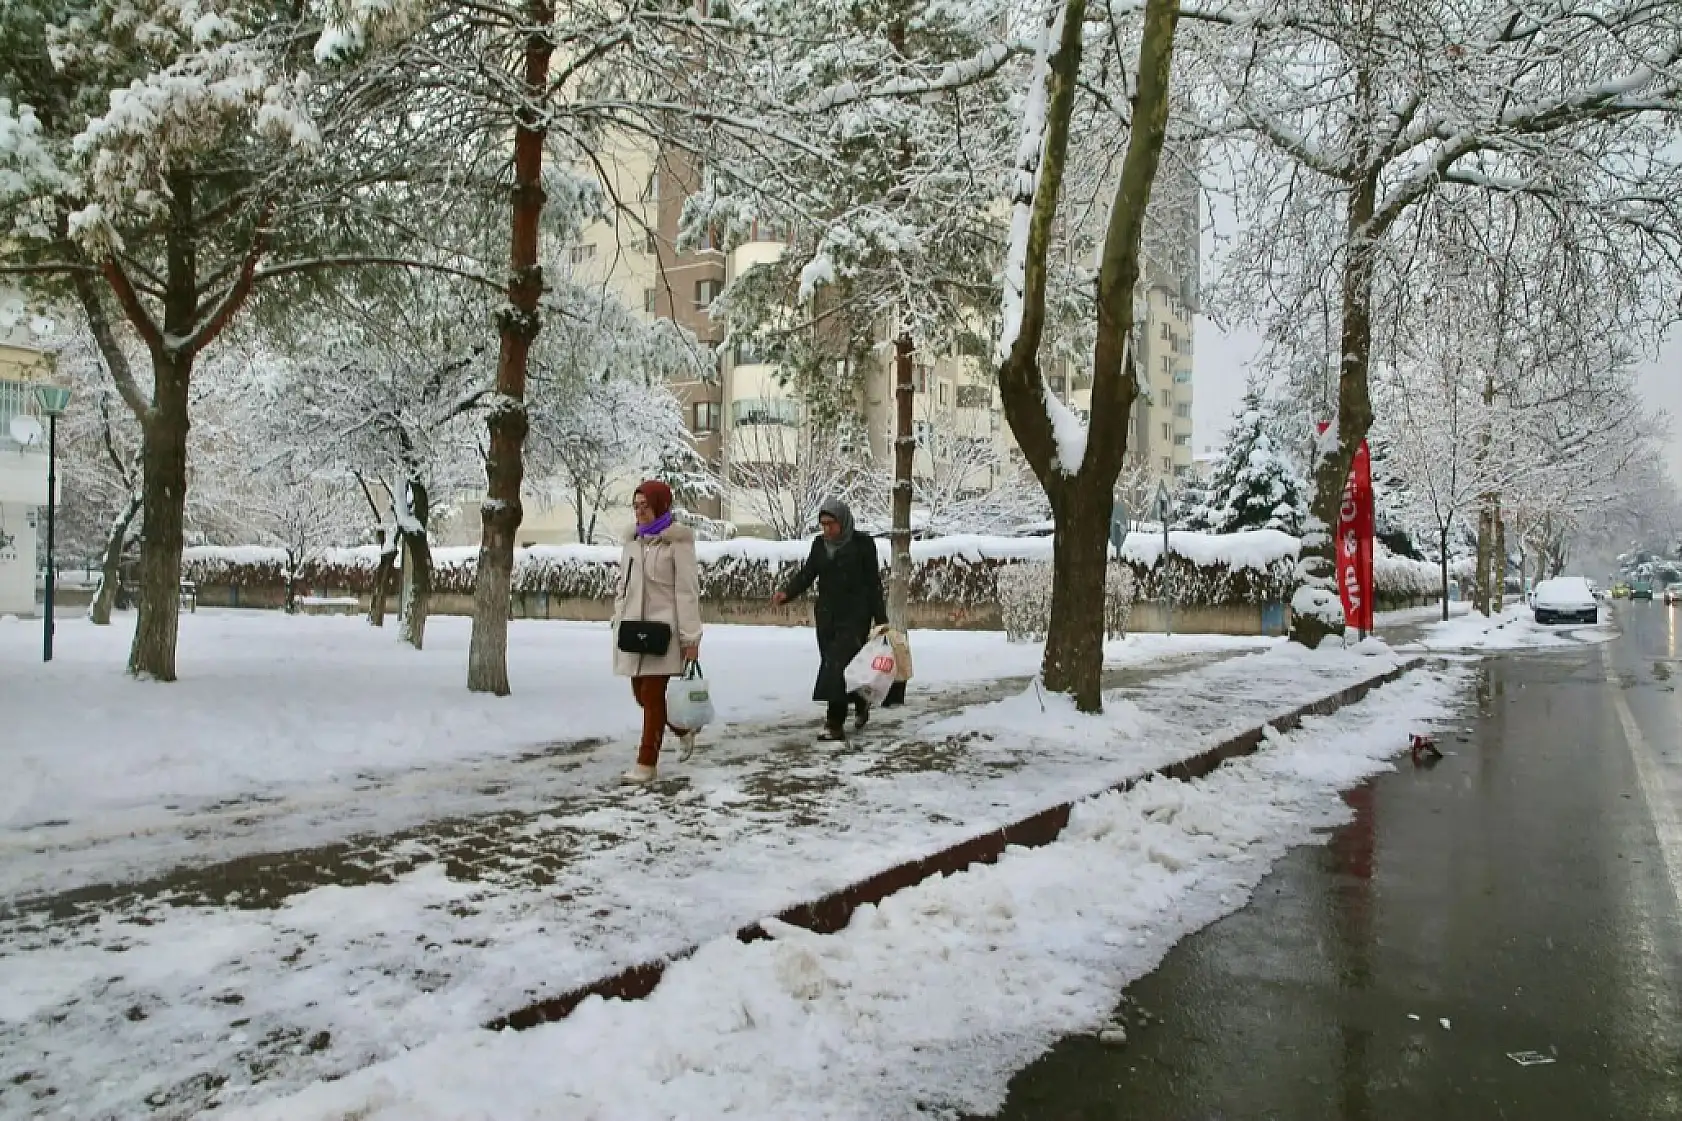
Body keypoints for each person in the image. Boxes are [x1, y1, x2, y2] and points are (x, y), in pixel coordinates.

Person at [771, 497, 888, 740]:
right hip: (827, 616)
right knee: (840, 666)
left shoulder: (862, 544)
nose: (827, 530)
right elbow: (808, 574)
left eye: (831, 524)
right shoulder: (819, 545)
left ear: (843, 522)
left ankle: (834, 723)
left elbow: (873, 583)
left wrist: (881, 619)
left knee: (835, 666)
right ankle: (860, 699)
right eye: (823, 525)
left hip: (855, 615)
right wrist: (787, 593)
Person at [612, 480, 702, 784]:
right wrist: (618, 617)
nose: (640, 513)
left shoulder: (677, 544)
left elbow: (687, 593)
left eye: (645, 506)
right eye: (636, 507)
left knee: (652, 695)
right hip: (634, 631)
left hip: (664, 633)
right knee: (641, 695)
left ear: (660, 506)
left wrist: (691, 638)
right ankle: (681, 729)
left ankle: (646, 761)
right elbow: (622, 587)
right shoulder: (632, 543)